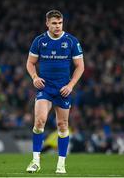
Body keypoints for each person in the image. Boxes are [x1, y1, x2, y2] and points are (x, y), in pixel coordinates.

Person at [26, 9, 84, 174]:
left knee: (62, 125)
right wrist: (34, 77)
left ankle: (61, 164)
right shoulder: (39, 41)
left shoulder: (71, 41)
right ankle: (35, 161)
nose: (58, 26)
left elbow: (80, 66)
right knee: (39, 121)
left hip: (63, 89)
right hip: (45, 87)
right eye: (54, 23)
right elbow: (30, 63)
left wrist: (71, 85)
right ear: (47, 23)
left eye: (60, 23)